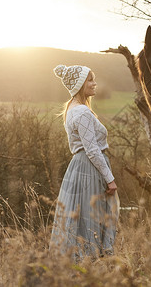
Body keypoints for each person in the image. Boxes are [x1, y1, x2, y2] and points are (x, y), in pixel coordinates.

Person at [50, 64, 119, 261]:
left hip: (81, 167)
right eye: (90, 80)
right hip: (89, 167)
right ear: (80, 85)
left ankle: (85, 266)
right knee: (91, 220)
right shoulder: (81, 113)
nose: (94, 83)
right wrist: (110, 179)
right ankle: (90, 266)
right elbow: (92, 150)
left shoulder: (73, 108)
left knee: (82, 220)